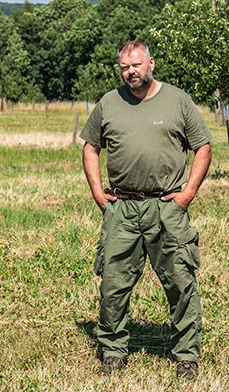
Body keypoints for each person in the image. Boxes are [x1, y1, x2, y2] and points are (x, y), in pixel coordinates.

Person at [80, 40, 212, 380]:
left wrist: (187, 194)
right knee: (113, 283)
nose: (130, 72)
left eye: (136, 65)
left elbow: (203, 147)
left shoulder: (177, 100)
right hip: (121, 207)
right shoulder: (109, 103)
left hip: (166, 206)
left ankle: (186, 355)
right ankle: (112, 350)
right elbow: (91, 147)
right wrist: (98, 192)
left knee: (180, 281)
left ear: (151, 63)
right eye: (124, 67)